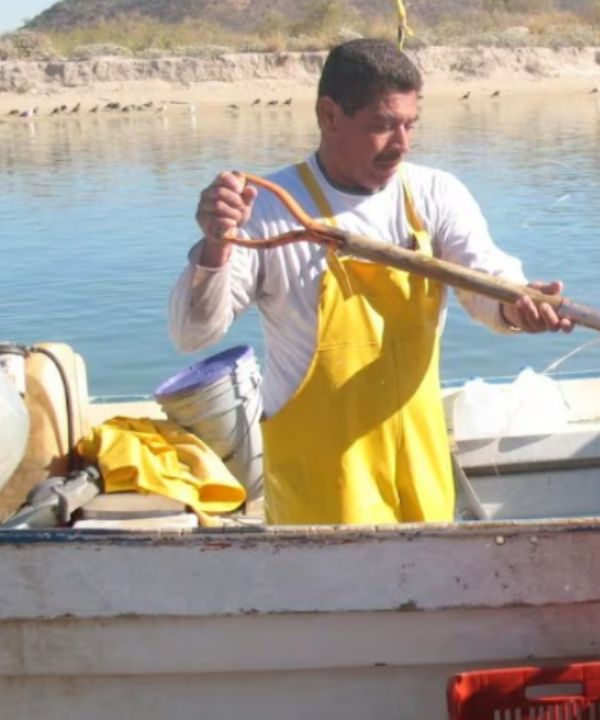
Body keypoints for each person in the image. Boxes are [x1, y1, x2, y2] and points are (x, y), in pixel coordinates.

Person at [170, 38, 573, 525]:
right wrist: (216, 244)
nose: (401, 145)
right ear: (329, 115)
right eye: (382, 126)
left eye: (410, 125)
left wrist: (518, 306)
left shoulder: (434, 194)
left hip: (421, 471)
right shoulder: (269, 209)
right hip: (322, 489)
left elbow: (485, 280)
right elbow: (192, 333)